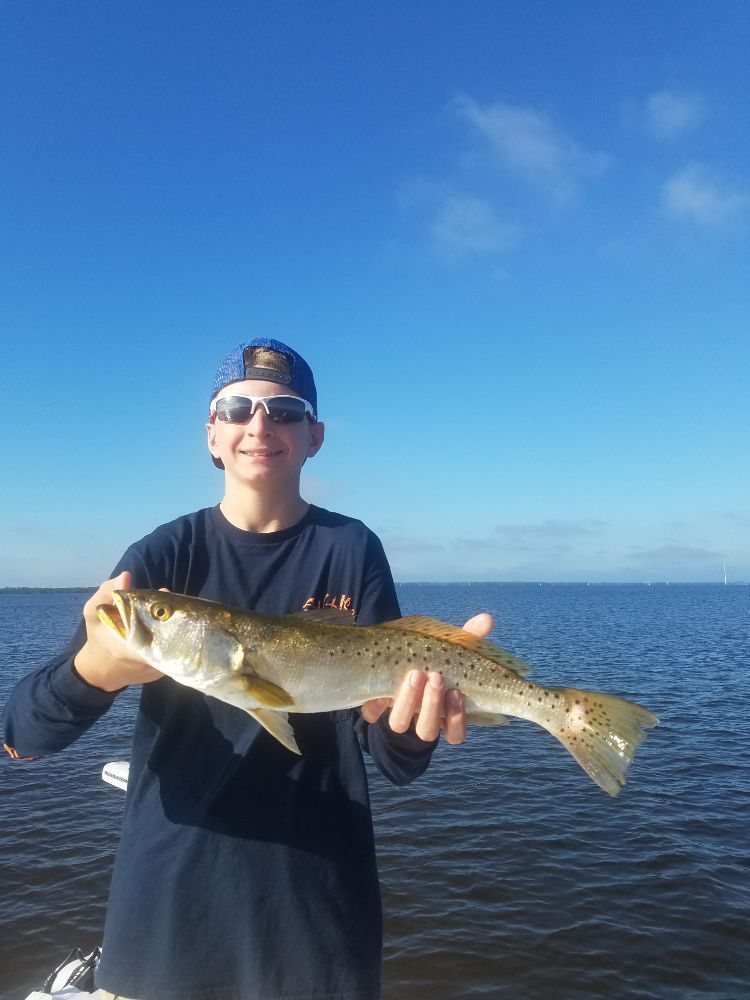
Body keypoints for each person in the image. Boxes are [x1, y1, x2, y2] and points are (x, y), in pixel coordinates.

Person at [3, 337, 491, 1000]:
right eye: (236, 409)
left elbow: (397, 761)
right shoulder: (163, 555)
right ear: (211, 434)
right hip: (168, 918)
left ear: (315, 436)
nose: (260, 425)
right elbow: (22, 736)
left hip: (320, 918)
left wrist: (413, 725)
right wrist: (99, 667)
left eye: (285, 411)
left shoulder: (352, 549)